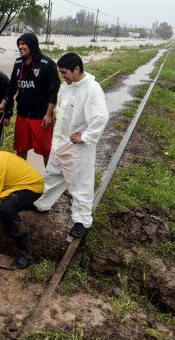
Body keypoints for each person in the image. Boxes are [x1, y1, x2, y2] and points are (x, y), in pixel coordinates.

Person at [33, 52, 108, 239]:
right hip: (60, 142)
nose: (62, 76)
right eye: (61, 72)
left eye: (65, 72)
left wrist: (85, 136)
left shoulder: (92, 89)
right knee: (52, 174)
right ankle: (43, 204)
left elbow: (100, 117)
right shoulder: (66, 87)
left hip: (77, 147)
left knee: (79, 184)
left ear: (77, 69)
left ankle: (82, 220)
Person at [0, 33, 60, 166]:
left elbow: (54, 91)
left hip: (41, 116)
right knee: (20, 149)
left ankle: (50, 182)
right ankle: (21, 179)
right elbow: (12, 86)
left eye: (23, 44)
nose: (20, 46)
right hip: (22, 114)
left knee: (47, 151)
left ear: (32, 45)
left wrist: (48, 114)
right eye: (19, 44)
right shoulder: (18, 63)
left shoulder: (47, 64)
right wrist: (3, 103)